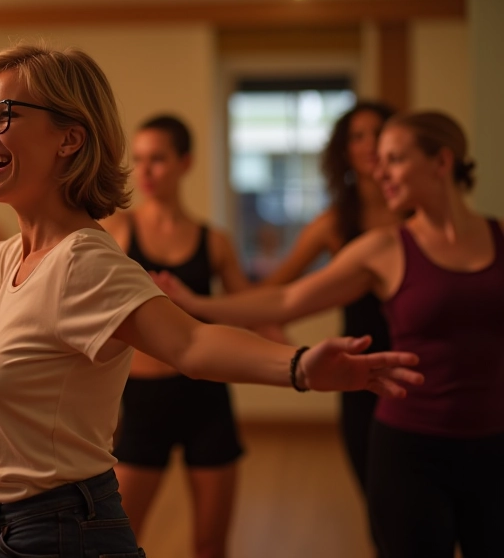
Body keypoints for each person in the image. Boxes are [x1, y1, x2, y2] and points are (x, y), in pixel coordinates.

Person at [0, 44, 422, 558]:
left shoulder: (84, 261)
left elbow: (187, 341)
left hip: (58, 531)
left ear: (70, 137)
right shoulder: (12, 259)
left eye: (4, 116)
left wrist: (301, 366)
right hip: (12, 526)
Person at [157, 111, 502, 558]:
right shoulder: (384, 248)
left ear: (441, 162)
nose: (380, 172)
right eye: (378, 160)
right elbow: (285, 300)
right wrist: (197, 304)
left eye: (394, 159)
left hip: (494, 447)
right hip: (411, 450)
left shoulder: (499, 238)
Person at [99, 115, 247, 557]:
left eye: (157, 159)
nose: (144, 171)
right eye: (139, 159)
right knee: (121, 541)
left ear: (185, 163)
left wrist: (300, 359)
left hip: (207, 400)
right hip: (144, 402)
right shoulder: (117, 232)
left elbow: (248, 309)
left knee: (210, 544)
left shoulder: (213, 241)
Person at [260, 102, 398, 514]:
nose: (370, 144)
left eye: (378, 133)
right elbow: (275, 292)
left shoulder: (418, 215)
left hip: (423, 373)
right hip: (362, 377)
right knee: (379, 505)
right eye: (358, 136)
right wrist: (272, 331)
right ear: (345, 151)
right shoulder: (335, 222)